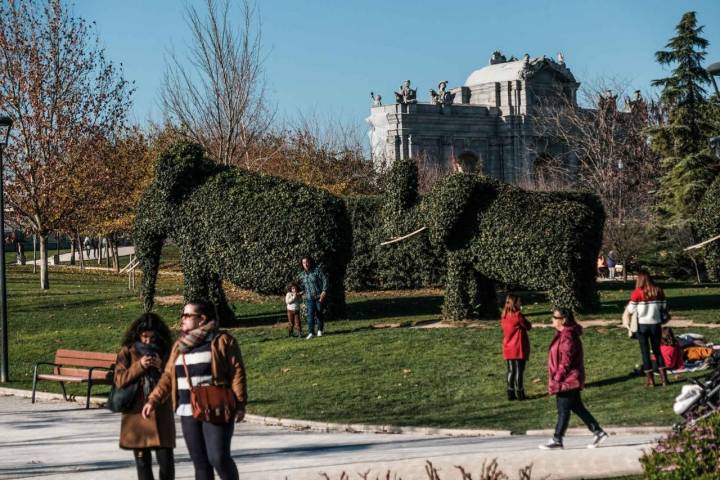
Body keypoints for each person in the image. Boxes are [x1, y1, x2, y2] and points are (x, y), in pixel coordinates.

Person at [142, 301, 247, 480]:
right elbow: (168, 376)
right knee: (200, 464)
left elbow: (237, 372)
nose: (182, 319)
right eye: (183, 315)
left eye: (187, 315)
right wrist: (153, 400)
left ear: (202, 319)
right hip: (187, 409)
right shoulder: (180, 346)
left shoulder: (221, 340)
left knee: (218, 458)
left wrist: (240, 403)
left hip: (215, 406)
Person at [115, 313, 175, 480]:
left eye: (152, 337)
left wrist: (161, 366)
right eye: (145, 336)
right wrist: (139, 366)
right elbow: (119, 379)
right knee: (142, 465)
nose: (148, 341)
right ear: (137, 334)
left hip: (161, 411)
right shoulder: (127, 352)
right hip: (137, 413)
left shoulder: (166, 350)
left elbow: (175, 378)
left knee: (166, 463)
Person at [540, 308, 608, 450]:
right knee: (577, 407)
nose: (552, 319)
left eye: (554, 317)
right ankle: (598, 432)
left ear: (563, 320)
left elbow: (566, 361)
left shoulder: (567, 336)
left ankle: (557, 438)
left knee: (563, 409)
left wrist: (557, 378)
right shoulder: (563, 334)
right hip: (568, 378)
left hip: (567, 379)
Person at [627, 270, 669, 387]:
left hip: (642, 325)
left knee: (645, 352)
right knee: (657, 351)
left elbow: (630, 310)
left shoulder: (636, 293)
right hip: (655, 324)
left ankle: (650, 381)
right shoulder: (658, 290)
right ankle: (664, 379)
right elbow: (663, 307)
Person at [501, 294, 532, 401]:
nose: (521, 303)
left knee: (511, 370)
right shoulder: (518, 315)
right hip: (518, 346)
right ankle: (520, 392)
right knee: (519, 370)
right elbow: (528, 326)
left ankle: (510, 393)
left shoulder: (504, 315)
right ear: (515, 303)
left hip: (508, 346)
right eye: (519, 302)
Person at [299, 256, 328, 339]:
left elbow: (325, 280)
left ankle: (319, 330)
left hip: (319, 296)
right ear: (302, 264)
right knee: (310, 315)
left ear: (310, 262)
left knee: (319, 314)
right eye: (304, 263)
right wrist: (301, 293)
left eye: (307, 262)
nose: (306, 264)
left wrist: (324, 291)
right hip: (309, 298)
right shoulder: (302, 275)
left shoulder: (317, 271)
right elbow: (302, 286)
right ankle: (311, 332)